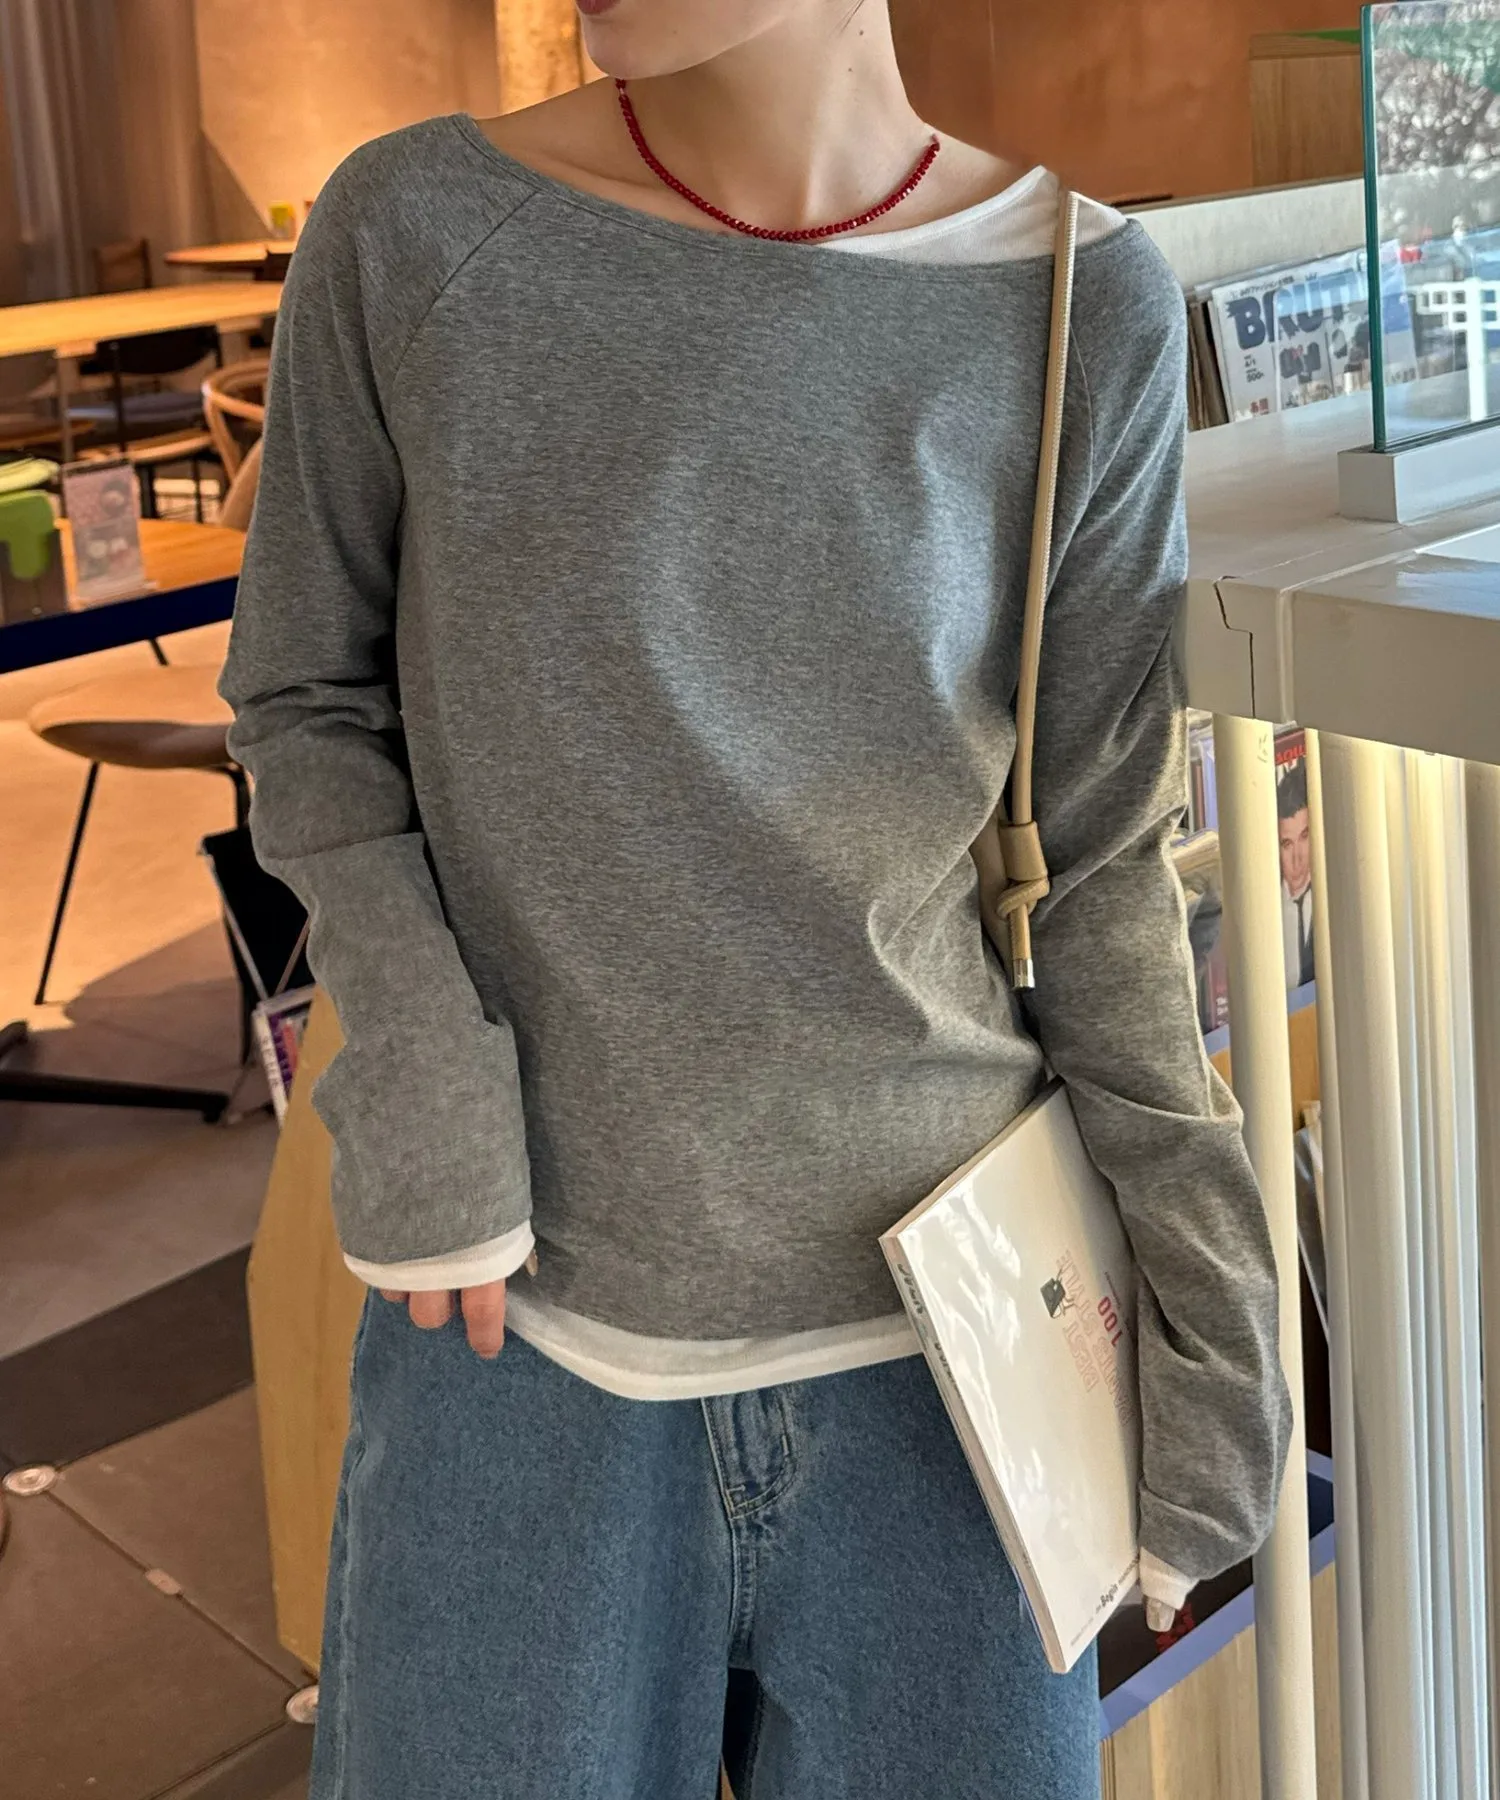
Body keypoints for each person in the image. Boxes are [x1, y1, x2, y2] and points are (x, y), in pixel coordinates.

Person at [220, 3, 1292, 1794]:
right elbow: (306, 700)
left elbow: (1098, 857)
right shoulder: (414, 232)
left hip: (956, 1364)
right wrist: (417, 1059)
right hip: (520, 1336)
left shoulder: (1073, 296)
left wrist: (1210, 1294)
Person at [1278, 762, 1316, 990]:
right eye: (1287, 844)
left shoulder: (1334, 896)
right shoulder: (1265, 909)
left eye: (1304, 837)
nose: (1297, 858)